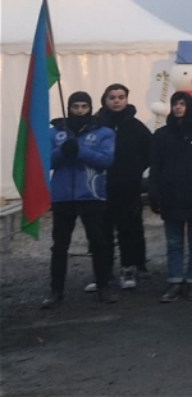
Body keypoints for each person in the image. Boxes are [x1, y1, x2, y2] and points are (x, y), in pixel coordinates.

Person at [42, 92, 117, 308]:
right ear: (69, 108)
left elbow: (106, 160)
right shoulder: (55, 133)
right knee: (59, 245)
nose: (80, 110)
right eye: (76, 107)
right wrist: (62, 151)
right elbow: (46, 162)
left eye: (84, 106)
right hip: (63, 196)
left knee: (98, 242)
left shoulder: (104, 132)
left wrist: (80, 150)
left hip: (91, 194)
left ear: (90, 108)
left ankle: (103, 286)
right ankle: (56, 291)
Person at [149, 92, 192, 302]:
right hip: (171, 196)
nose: (178, 107)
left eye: (182, 104)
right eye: (175, 104)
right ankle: (175, 281)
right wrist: (154, 191)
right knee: (174, 242)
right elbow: (155, 166)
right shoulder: (162, 135)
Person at [89, 83, 151, 293]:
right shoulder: (96, 125)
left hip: (127, 187)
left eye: (121, 97)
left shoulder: (136, 126)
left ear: (126, 99)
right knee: (101, 232)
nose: (117, 101)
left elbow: (149, 151)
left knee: (128, 230)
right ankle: (103, 273)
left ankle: (128, 268)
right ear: (105, 100)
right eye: (112, 97)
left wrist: (134, 170)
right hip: (100, 187)